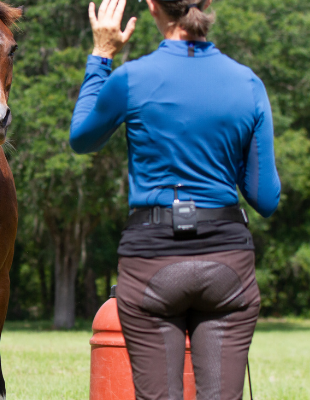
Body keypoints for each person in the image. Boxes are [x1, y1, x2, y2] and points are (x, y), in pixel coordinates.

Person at [69, 0, 281, 398]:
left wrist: (101, 55)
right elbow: (265, 197)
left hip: (151, 264)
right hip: (227, 269)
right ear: (209, 5)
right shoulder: (248, 83)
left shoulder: (131, 78)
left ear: (152, 7)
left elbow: (82, 138)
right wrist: (219, 146)